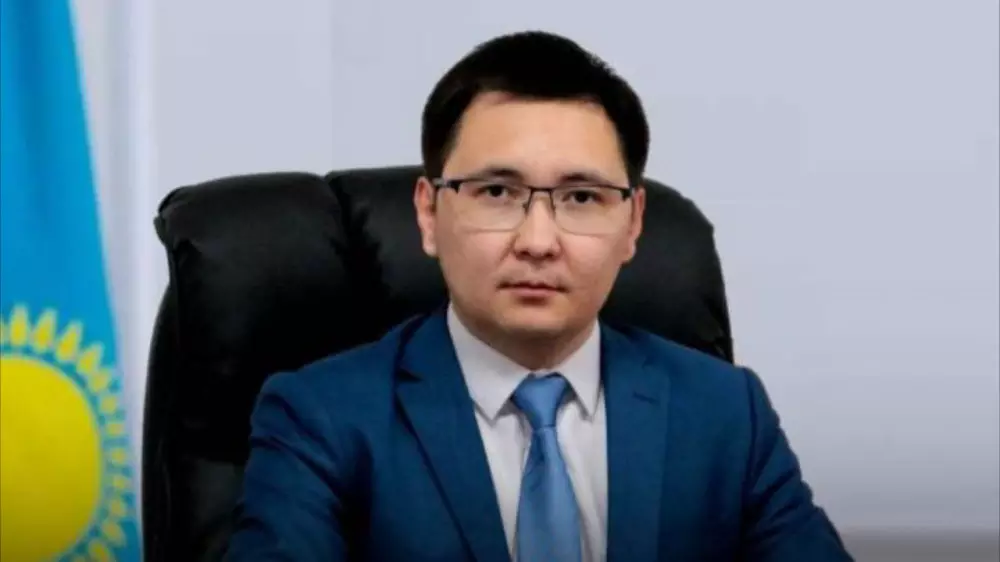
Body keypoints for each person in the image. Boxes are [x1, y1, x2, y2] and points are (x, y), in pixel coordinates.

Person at [225, 30, 853, 562]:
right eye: (497, 192)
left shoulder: (726, 413)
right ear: (428, 213)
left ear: (633, 223)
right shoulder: (321, 419)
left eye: (581, 197)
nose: (538, 242)